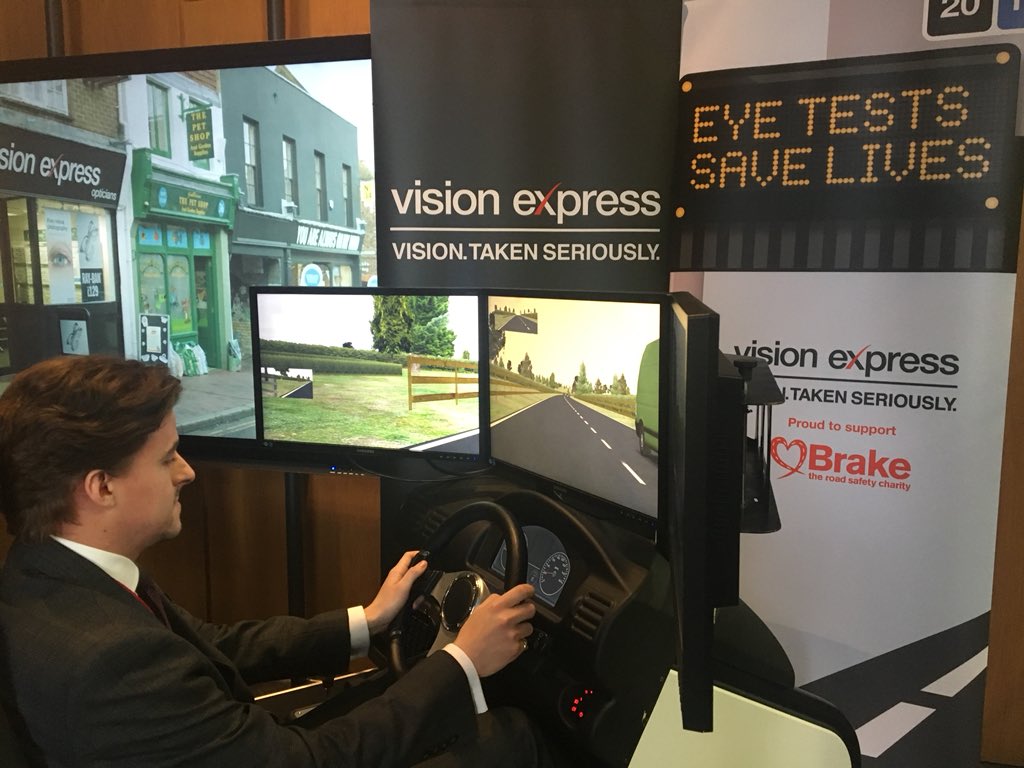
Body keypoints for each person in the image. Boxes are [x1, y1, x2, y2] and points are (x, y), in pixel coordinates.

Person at [0, 355, 549, 767]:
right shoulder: (112, 660)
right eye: (167, 458)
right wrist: (463, 660)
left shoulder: (51, 573)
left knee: (393, 691)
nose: (187, 472)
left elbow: (215, 646)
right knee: (510, 735)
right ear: (101, 487)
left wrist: (369, 619)